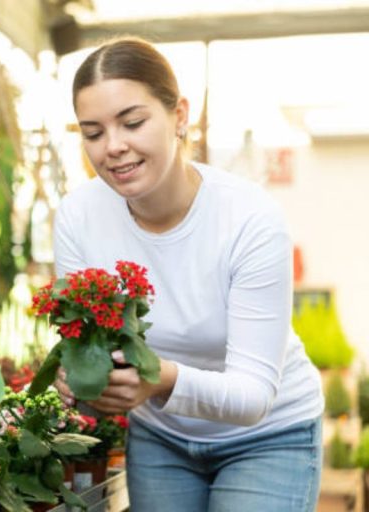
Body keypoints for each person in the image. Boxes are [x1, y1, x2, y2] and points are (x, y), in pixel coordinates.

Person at [52, 37, 324, 511]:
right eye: (93, 133)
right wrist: (80, 379)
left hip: (268, 435)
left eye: (132, 122)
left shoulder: (249, 218)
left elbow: (254, 394)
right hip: (163, 438)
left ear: (179, 115)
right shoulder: (79, 217)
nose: (113, 147)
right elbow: (89, 344)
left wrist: (157, 379)